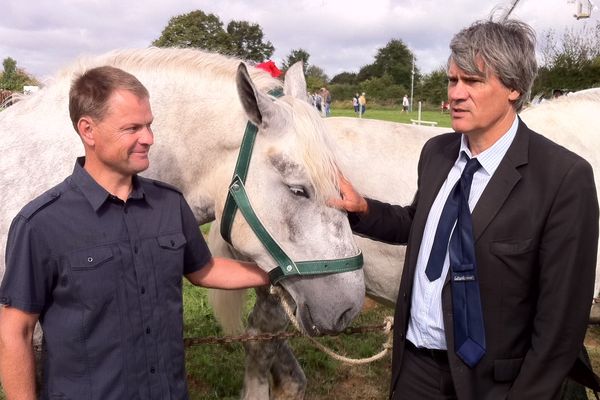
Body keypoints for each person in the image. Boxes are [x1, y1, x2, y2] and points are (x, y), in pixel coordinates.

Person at [330, 19, 599, 399]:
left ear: (514, 88)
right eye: (452, 80)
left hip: (496, 383)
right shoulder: (437, 153)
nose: (456, 94)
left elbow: (561, 322)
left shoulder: (562, 177)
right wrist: (363, 209)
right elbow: (419, 223)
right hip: (417, 369)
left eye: (472, 82)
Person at [0, 66, 270, 400]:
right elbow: (16, 331)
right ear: (88, 130)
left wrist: (275, 271)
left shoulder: (169, 205)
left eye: (149, 125)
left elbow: (204, 270)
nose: (149, 138)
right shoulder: (41, 223)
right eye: (132, 128)